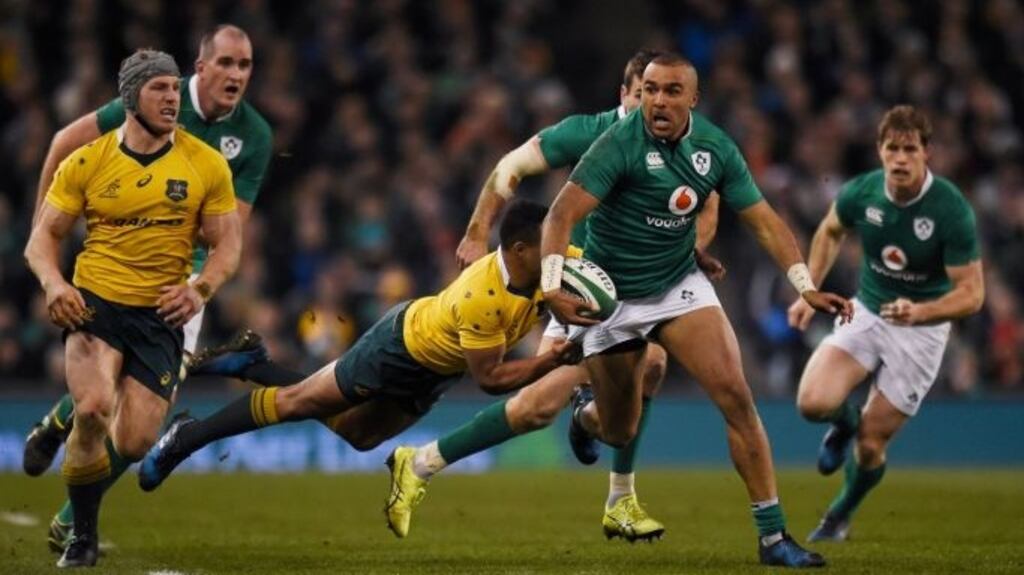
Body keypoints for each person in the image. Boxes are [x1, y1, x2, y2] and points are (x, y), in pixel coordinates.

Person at [385, 49, 725, 544]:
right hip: (579, 290)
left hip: (635, 289)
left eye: (662, 95)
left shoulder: (688, 145)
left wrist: (688, 249)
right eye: (641, 95)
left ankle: (612, 481)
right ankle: (422, 462)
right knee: (537, 407)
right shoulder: (589, 133)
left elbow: (708, 205)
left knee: (647, 366)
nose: (651, 108)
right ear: (624, 96)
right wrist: (479, 229)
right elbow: (511, 165)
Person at [539, 53, 853, 568]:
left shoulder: (715, 147)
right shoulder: (617, 144)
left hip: (677, 285)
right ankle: (586, 416)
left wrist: (805, 285)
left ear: (693, 98)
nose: (658, 101)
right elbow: (560, 215)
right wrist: (552, 287)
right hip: (613, 298)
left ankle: (773, 538)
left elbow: (765, 221)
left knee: (735, 394)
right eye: (651, 90)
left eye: (670, 91)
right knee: (619, 429)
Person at [136, 201, 582, 522]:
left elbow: (603, 268)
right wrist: (552, 362)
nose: (560, 248)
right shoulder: (483, 294)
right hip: (398, 348)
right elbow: (492, 378)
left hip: (436, 372)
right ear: (521, 250)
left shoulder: (552, 263)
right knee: (296, 403)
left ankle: (253, 364)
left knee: (358, 434)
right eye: (550, 241)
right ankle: (188, 436)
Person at [21, 24, 283, 554]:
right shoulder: (153, 97)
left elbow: (231, 228)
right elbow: (62, 143)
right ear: (200, 66)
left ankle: (58, 426)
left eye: (246, 65)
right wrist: (42, 241)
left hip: (179, 280)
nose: (236, 75)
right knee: (99, 401)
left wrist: (201, 286)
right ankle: (76, 520)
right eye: (227, 63)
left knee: (139, 426)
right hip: (110, 272)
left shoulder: (253, 137)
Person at [788, 105, 984, 542]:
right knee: (811, 402)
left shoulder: (950, 210)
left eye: (909, 149)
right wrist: (809, 290)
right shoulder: (862, 192)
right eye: (892, 148)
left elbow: (972, 294)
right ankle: (844, 421)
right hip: (869, 310)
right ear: (879, 150)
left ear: (926, 153)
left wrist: (922, 312)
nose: (899, 158)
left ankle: (839, 515)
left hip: (922, 331)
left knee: (872, 445)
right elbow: (829, 231)